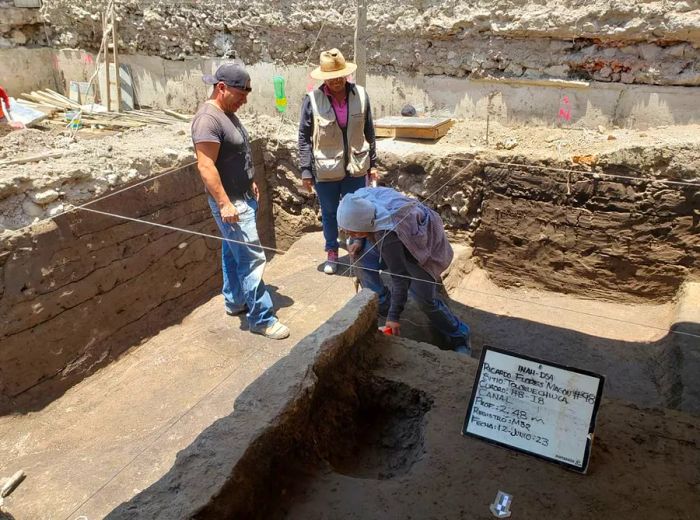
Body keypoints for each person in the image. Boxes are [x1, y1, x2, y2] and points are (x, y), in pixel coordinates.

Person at [191, 63, 290, 340]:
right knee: (252, 258)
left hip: (242, 196)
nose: (245, 101)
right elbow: (206, 166)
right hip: (231, 203)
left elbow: (235, 152)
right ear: (221, 88)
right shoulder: (207, 120)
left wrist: (250, 180)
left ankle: (235, 301)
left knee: (232, 252)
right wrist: (224, 203)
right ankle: (262, 318)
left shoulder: (227, 112)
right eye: (241, 94)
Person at [337, 187, 471, 354]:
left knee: (426, 301)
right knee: (360, 255)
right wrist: (357, 239)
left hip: (419, 248)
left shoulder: (387, 235)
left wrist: (394, 318)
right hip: (389, 235)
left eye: (351, 232)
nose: (347, 234)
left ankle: (460, 336)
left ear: (363, 225)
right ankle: (382, 303)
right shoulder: (357, 200)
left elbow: (401, 278)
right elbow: (358, 223)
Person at [298, 48, 379, 274]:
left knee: (356, 210)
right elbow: (304, 137)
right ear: (324, 78)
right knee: (330, 213)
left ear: (346, 74)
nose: (335, 81)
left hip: (356, 166)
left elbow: (369, 131)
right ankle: (332, 251)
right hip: (326, 169)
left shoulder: (361, 95)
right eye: (330, 77)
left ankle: (357, 250)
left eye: (339, 76)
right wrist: (305, 170)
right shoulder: (312, 100)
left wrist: (373, 165)